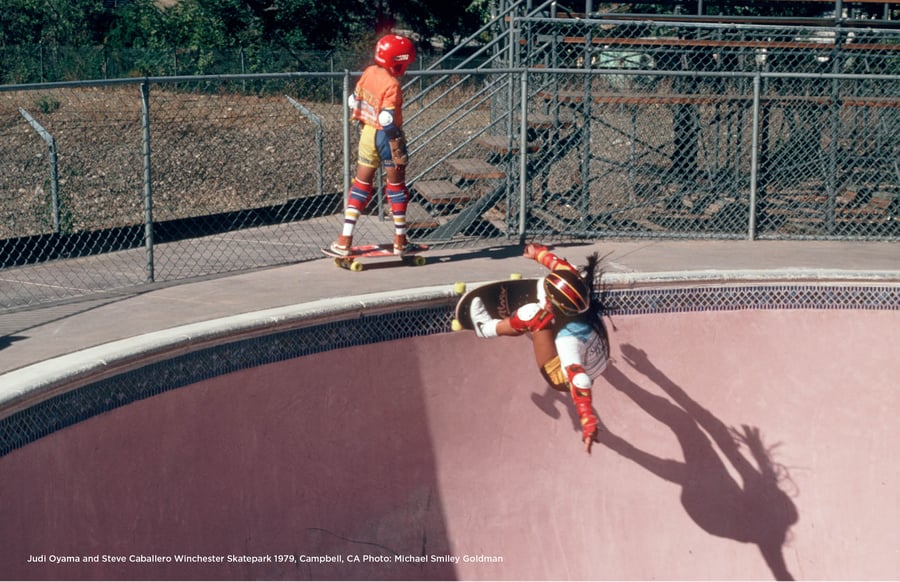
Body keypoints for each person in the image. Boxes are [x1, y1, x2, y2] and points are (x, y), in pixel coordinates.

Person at [469, 243, 610, 453]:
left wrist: (587, 419)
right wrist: (539, 254)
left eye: (550, 302)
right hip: (598, 357)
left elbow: (578, 380)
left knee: (534, 315)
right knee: (555, 280)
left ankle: (485, 328)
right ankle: (541, 317)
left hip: (561, 375)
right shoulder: (579, 285)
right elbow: (560, 266)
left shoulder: (567, 340)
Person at [331, 34, 416, 256]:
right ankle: (400, 239)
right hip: (386, 136)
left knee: (361, 184)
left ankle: (344, 239)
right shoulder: (392, 84)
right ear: (395, 61)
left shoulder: (369, 72)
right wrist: (395, 142)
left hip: (367, 134)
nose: (405, 65)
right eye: (404, 61)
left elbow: (353, 100)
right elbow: (387, 119)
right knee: (396, 188)